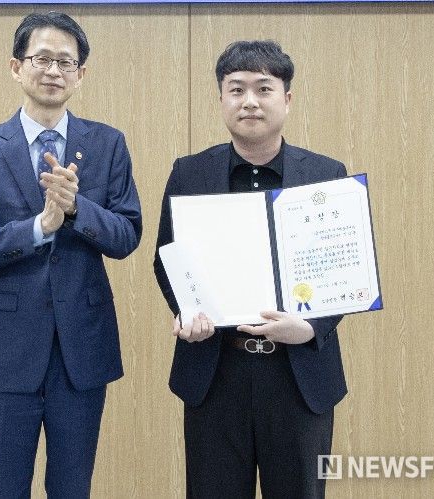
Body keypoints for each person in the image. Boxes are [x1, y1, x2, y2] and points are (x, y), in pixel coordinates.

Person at [0, 11, 142, 498]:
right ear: (17, 67)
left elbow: (126, 236)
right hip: (6, 352)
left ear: (81, 74)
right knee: (3, 488)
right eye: (42, 59)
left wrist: (77, 209)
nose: (54, 71)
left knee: (73, 488)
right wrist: (39, 227)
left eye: (66, 62)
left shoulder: (107, 144)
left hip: (82, 350)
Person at [153, 40, 347, 499]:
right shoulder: (189, 173)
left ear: (287, 98)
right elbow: (167, 258)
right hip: (216, 371)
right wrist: (189, 311)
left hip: (298, 376)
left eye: (264, 88)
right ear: (221, 98)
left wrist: (311, 327)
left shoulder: (326, 174)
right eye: (236, 89)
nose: (250, 101)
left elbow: (343, 270)